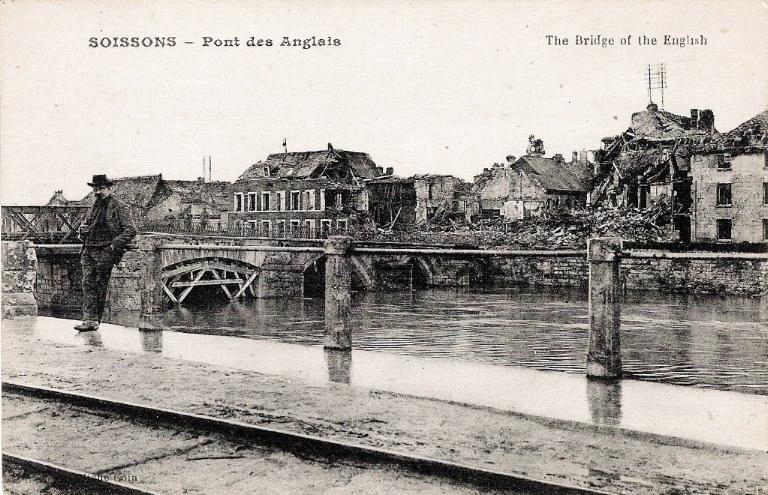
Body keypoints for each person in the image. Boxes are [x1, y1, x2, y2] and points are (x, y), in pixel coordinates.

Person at [75, 175, 137, 331]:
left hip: (105, 251)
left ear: (109, 189)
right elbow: (86, 227)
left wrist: (113, 246)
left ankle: (95, 321)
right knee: (87, 284)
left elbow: (130, 230)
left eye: (101, 188)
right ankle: (89, 320)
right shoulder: (93, 207)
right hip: (88, 249)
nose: (98, 192)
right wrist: (82, 231)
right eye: (95, 189)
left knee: (100, 285)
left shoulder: (119, 207)